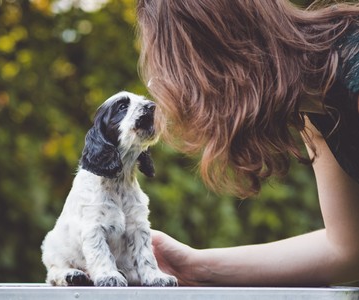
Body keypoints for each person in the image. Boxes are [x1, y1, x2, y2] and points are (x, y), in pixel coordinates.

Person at [136, 0, 359, 286]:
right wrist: (192, 265)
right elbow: (347, 251)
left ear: (215, 61)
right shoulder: (318, 104)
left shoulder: (351, 69)